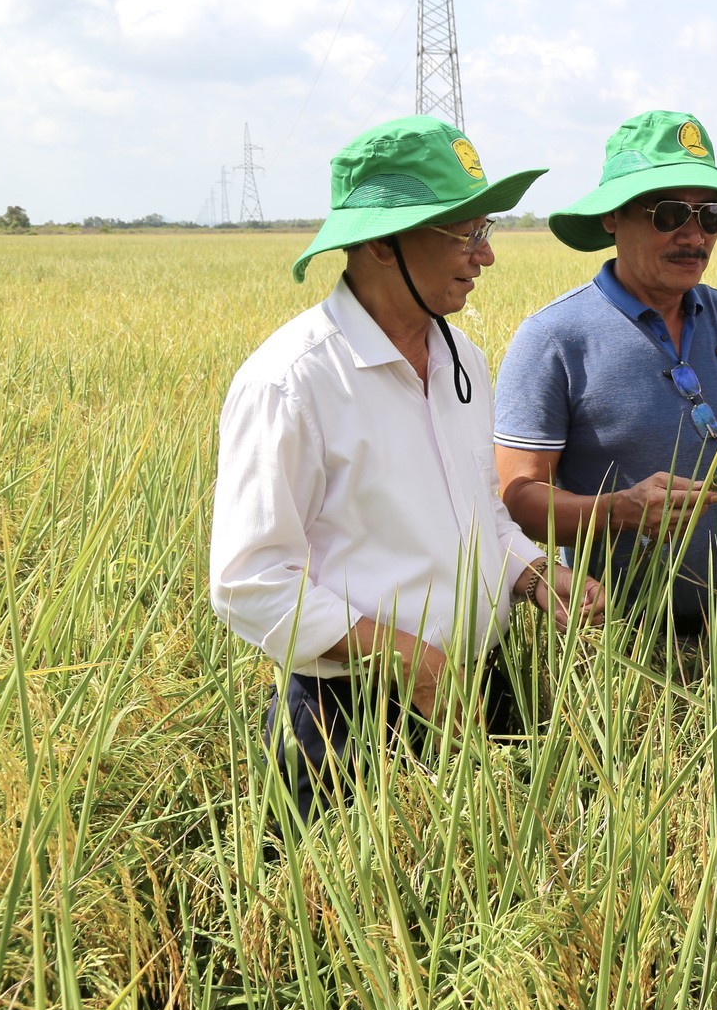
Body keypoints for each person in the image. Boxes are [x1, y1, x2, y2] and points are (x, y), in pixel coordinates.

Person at [210, 116, 604, 820]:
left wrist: (536, 571)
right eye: (465, 232)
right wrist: (406, 660)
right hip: (351, 720)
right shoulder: (292, 381)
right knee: (356, 925)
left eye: (485, 230)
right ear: (376, 242)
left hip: (479, 689)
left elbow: (479, 510)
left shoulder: (464, 360)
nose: (484, 256)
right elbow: (250, 581)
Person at [494, 111, 717, 643]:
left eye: (710, 215)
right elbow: (517, 499)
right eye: (669, 214)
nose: (694, 236)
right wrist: (618, 511)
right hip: (609, 641)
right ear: (614, 216)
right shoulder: (554, 338)